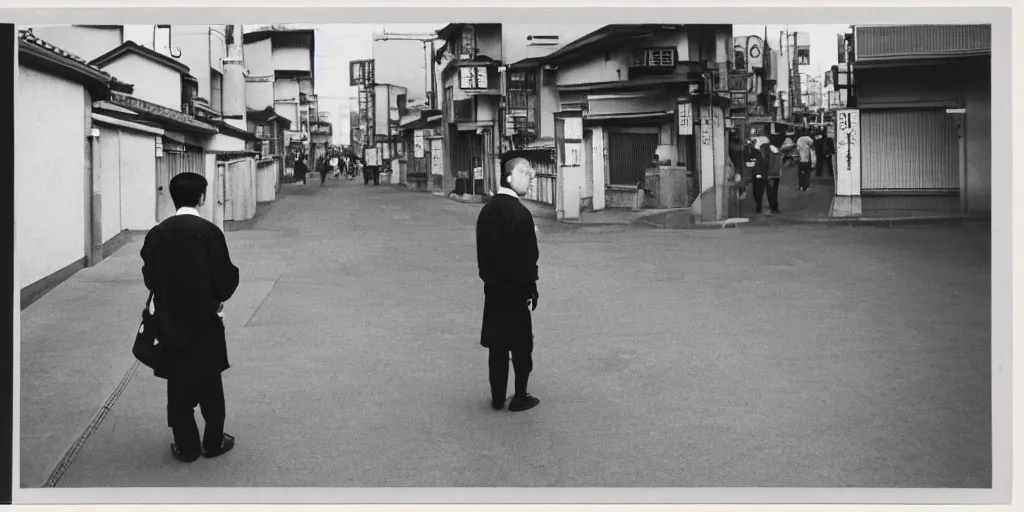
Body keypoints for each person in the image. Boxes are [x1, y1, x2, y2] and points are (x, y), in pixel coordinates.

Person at [141, 172, 240, 463]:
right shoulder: (210, 232)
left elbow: (150, 279)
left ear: (172, 197)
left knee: (179, 387)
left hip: (172, 324)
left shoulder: (157, 234)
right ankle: (213, 441)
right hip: (206, 323)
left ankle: (187, 447)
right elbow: (224, 281)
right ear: (202, 197)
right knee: (211, 384)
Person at [475, 157, 540, 413]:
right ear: (510, 177)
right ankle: (520, 396)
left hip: (492, 291)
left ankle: (498, 397)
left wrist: (491, 281)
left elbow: (483, 257)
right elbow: (529, 258)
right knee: (522, 346)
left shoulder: (486, 212)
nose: (530, 178)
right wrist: (531, 290)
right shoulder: (520, 214)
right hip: (516, 292)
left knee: (497, 347)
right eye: (524, 172)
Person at [743, 138, 769, 214]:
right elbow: (745, 162)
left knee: (759, 192)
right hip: (753, 174)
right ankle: (757, 207)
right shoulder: (746, 152)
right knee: (755, 193)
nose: (750, 146)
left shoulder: (757, 152)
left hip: (759, 175)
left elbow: (760, 163)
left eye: (751, 144)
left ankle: (758, 207)